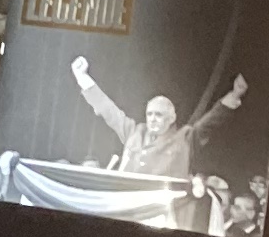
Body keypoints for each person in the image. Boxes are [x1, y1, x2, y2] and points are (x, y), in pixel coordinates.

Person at [70, 50, 245, 177]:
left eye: (159, 115)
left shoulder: (185, 138)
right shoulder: (133, 131)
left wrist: (235, 95)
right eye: (150, 114)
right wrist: (82, 77)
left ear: (172, 118)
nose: (152, 119)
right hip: (123, 202)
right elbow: (109, 110)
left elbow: (210, 122)